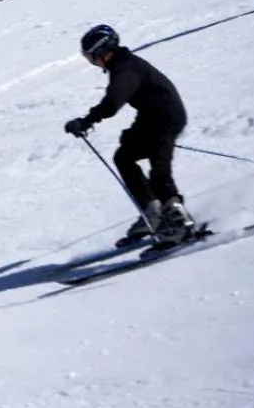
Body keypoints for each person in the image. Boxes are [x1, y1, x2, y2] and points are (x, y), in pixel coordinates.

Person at [64, 25, 198, 244]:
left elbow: (113, 103)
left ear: (101, 51)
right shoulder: (122, 65)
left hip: (165, 119)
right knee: (124, 156)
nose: (92, 62)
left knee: (159, 172)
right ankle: (153, 214)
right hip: (152, 118)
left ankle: (177, 223)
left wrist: (87, 120)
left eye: (90, 57)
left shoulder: (126, 69)